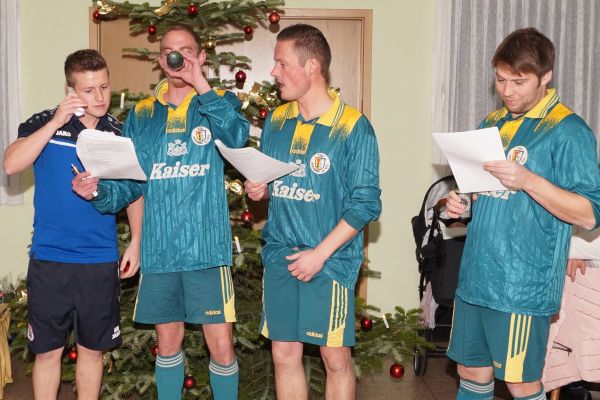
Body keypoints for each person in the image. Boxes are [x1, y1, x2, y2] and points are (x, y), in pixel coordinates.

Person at [72, 25, 249, 399]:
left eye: (186, 50)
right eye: (169, 50)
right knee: (167, 344)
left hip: (206, 250)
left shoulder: (217, 102)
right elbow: (130, 182)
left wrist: (201, 85)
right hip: (160, 251)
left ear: (201, 57)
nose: (177, 57)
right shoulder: (141, 115)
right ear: (160, 60)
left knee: (221, 346)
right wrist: (98, 192)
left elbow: (237, 137)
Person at [444, 28, 600, 400]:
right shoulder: (492, 123)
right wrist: (461, 205)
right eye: (501, 80)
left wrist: (529, 181)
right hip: (476, 277)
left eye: (519, 82)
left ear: (546, 76)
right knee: (471, 371)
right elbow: (481, 193)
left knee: (520, 382)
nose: (508, 91)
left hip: (521, 286)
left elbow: (589, 213)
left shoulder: (568, 131)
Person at [244, 24, 381, 399]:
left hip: (330, 261)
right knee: (283, 353)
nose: (273, 72)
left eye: (282, 63)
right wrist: (260, 188)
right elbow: (273, 181)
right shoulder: (276, 120)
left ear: (311, 67)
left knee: (334, 358)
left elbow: (366, 204)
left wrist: (319, 254)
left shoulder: (353, 127)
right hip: (280, 256)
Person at [3, 49, 142, 400]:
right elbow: (11, 165)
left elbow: (135, 191)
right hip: (50, 258)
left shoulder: (118, 132)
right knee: (47, 353)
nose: (100, 97)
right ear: (71, 91)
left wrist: (136, 242)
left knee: (92, 352)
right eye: (89, 90)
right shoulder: (44, 123)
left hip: (99, 260)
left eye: (105, 87)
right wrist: (54, 122)